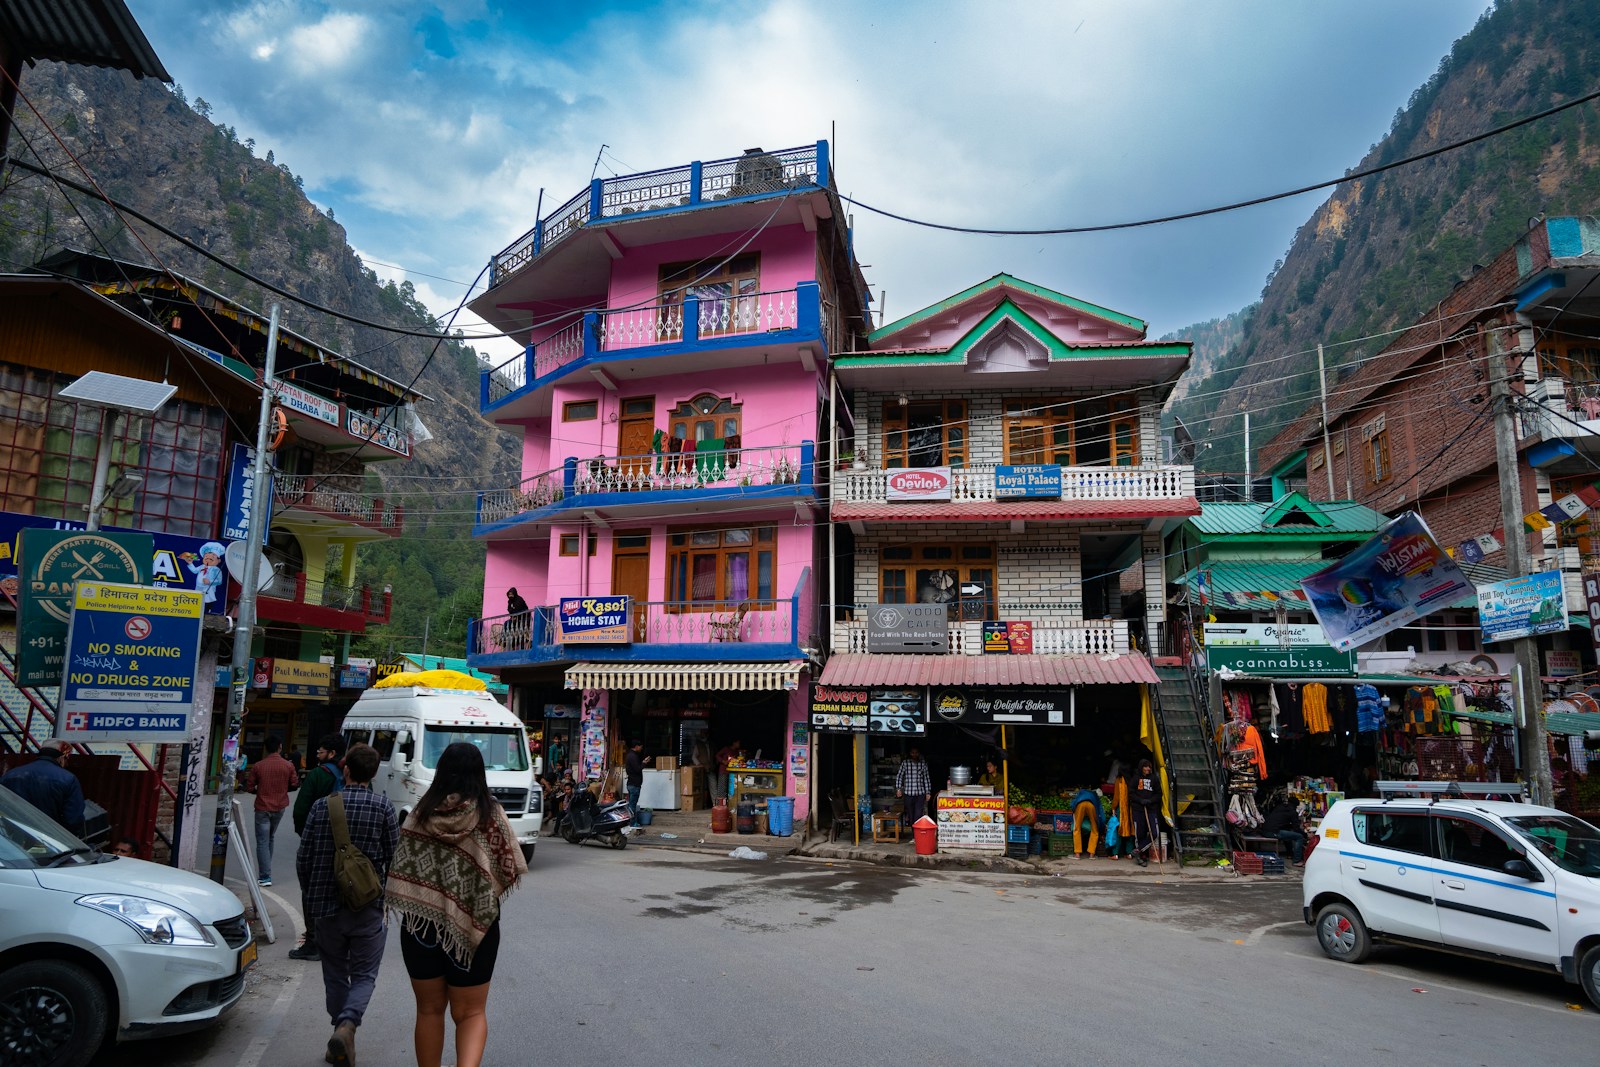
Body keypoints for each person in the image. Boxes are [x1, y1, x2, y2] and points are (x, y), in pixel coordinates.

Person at [387, 742, 527, 1067]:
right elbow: (507, 867)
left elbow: (402, 870)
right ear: (479, 774)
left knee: (428, 1010)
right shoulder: (491, 816)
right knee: (471, 1013)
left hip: (421, 927)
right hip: (475, 926)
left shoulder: (420, 814)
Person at [296, 743, 399, 1067]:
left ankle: (340, 1031)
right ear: (373, 773)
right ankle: (347, 1025)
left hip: (325, 907)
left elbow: (304, 860)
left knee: (336, 972)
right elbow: (396, 859)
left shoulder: (320, 807)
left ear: (347, 770)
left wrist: (312, 899)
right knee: (365, 973)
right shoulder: (383, 807)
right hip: (367, 906)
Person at [290, 733, 348, 963]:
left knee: (312, 890)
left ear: (331, 753)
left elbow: (300, 810)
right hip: (345, 845)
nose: (317, 755)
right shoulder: (350, 773)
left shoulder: (317, 775)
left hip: (317, 843)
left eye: (321, 751)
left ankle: (313, 942)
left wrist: (305, 835)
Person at [244, 734, 299, 887]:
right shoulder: (288, 766)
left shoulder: (258, 766)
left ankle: (265, 876)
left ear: (266, 749)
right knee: (271, 837)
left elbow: (249, 786)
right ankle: (266, 872)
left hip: (262, 807)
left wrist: (260, 791)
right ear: (280, 747)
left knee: (262, 840)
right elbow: (294, 784)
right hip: (279, 806)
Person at [0, 739, 85, 836]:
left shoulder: (11, 775)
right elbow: (73, 819)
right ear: (62, 758)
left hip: (13, 839)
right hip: (50, 840)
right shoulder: (68, 779)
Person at [1260, 794, 1307, 865]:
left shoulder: (1280, 807)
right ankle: (1297, 860)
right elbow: (1296, 829)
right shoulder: (1292, 812)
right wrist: (1306, 835)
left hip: (1265, 830)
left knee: (1288, 833)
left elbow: (1281, 821)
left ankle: (1290, 854)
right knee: (1299, 837)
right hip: (1272, 832)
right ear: (1296, 805)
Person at [1131, 758, 1162, 867]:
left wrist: (1150, 801)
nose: (1148, 769)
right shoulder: (1135, 779)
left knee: (1154, 833)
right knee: (1140, 834)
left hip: (1151, 809)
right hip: (1138, 810)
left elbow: (1159, 794)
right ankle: (1141, 856)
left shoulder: (1154, 779)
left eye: (1149, 766)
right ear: (1141, 768)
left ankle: (1138, 850)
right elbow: (1131, 794)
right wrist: (1140, 800)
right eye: (1146, 766)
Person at [895, 747, 932, 827]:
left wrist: (928, 792)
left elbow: (926, 778)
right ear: (910, 753)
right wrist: (898, 789)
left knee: (918, 814)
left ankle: (916, 834)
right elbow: (900, 776)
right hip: (908, 794)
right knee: (910, 814)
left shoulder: (923, 764)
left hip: (920, 794)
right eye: (912, 752)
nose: (914, 754)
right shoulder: (905, 763)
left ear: (919, 753)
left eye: (916, 752)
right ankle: (914, 833)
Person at [623, 740, 651, 820]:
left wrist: (642, 762)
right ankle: (632, 822)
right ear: (636, 746)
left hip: (632, 783)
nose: (641, 748)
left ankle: (630, 822)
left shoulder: (631, 755)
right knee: (632, 805)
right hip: (634, 784)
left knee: (632, 804)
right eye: (640, 746)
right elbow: (638, 769)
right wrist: (644, 763)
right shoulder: (633, 756)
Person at [713, 738, 742, 804]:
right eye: (738, 743)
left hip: (732, 773)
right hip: (723, 771)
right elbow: (717, 755)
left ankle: (729, 804)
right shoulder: (726, 749)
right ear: (734, 743)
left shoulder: (736, 751)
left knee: (730, 789)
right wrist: (723, 761)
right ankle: (720, 805)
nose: (739, 744)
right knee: (722, 789)